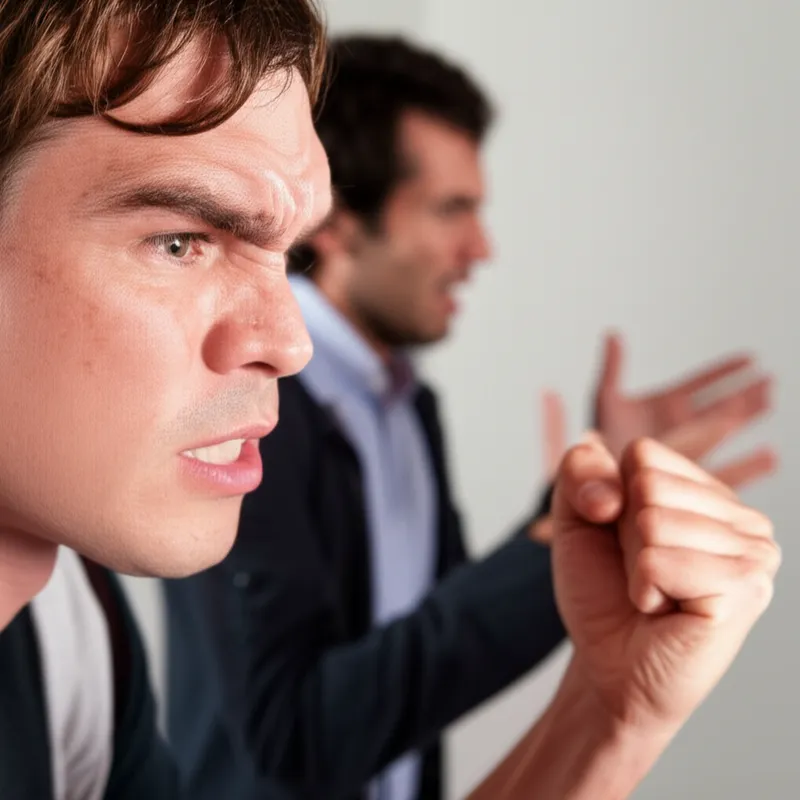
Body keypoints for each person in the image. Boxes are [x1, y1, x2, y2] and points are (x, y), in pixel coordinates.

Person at [164, 34, 777, 800]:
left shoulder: (409, 404)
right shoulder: (253, 408)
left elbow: (428, 641)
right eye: (451, 210)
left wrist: (577, 509)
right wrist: (556, 544)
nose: (481, 248)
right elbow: (296, 735)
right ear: (336, 219)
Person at [0, 0, 329, 796]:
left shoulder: (74, 636)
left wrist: (608, 710)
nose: (291, 344)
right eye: (181, 243)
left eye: (291, 255)